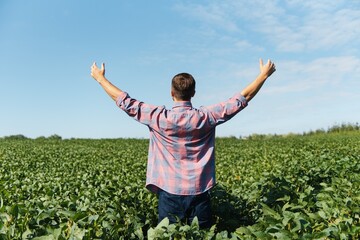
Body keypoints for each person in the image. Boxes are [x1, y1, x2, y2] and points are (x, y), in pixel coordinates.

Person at [90, 59, 276, 228]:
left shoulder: (158, 117)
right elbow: (243, 98)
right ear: (193, 93)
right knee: (202, 235)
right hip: (199, 191)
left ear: (172, 93)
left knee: (169, 235)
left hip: (169, 193)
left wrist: (100, 79)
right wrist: (263, 75)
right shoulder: (206, 117)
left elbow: (124, 101)